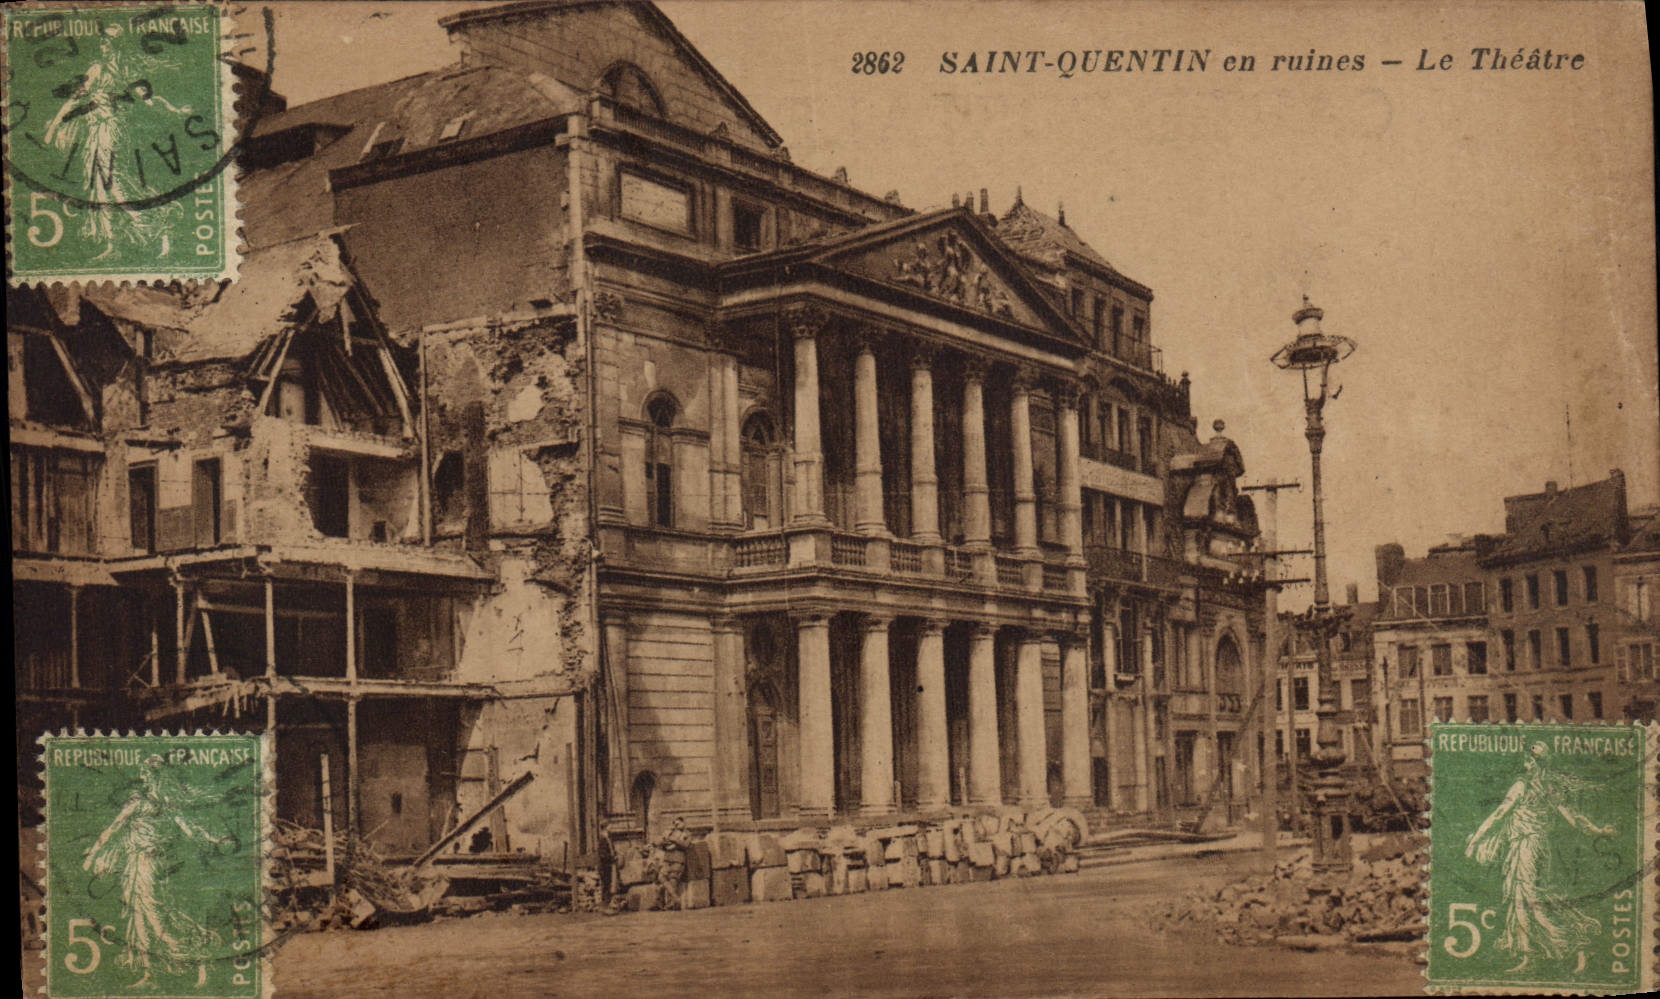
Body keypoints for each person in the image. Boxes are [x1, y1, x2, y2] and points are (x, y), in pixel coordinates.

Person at [1464, 742, 1615, 973]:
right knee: (1537, 897)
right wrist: (1599, 830)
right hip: (1538, 847)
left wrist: (1475, 839)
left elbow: (1498, 814)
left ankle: (1569, 946)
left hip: (1526, 846)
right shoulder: (1549, 789)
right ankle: (1537, 953)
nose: (1525, 765)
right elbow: (1573, 818)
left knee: (1525, 899)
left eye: (1528, 761)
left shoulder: (1521, 786)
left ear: (1536, 763)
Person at [82, 756, 226, 986]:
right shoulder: (140, 802)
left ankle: (195, 955)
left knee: (156, 916)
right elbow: (115, 827)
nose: (144, 779)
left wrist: (212, 839)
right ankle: (151, 973)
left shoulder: (164, 804)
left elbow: (188, 827)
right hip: (137, 864)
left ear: (155, 778)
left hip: (152, 866)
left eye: (148, 775)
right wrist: (93, 854)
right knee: (141, 915)